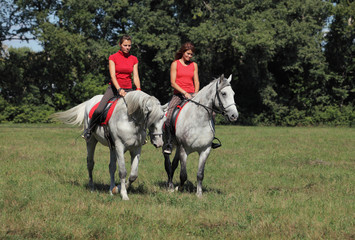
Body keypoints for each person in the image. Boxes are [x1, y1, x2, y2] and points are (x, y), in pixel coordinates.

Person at [83, 35, 141, 140]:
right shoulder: (113, 57)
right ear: (120, 45)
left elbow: (136, 76)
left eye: (129, 45)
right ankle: (89, 130)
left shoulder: (134, 59)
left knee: (139, 111)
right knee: (99, 110)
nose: (127, 47)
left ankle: (141, 135)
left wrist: (138, 90)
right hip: (114, 89)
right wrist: (119, 89)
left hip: (129, 89)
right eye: (125, 45)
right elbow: (113, 76)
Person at [163, 42, 200, 154]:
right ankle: (169, 143)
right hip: (179, 95)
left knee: (209, 113)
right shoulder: (175, 64)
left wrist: (196, 93)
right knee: (168, 117)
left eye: (191, 54)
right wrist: (184, 93)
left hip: (192, 94)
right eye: (188, 53)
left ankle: (209, 139)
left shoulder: (194, 65)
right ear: (183, 52)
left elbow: (196, 81)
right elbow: (173, 83)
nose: (189, 56)